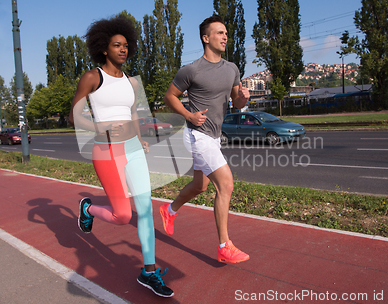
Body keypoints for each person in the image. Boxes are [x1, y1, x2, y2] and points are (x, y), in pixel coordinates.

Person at [69, 15, 173, 298]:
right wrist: (98, 126)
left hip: (133, 148)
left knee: (145, 209)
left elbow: (132, 114)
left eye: (126, 45)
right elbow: (74, 115)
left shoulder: (132, 82)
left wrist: (140, 140)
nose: (123, 50)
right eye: (117, 45)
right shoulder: (92, 77)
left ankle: (149, 272)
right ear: (104, 48)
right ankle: (88, 208)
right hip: (106, 151)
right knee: (122, 215)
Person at [160, 15, 251, 263]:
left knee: (200, 186)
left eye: (225, 33)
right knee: (226, 184)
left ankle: (168, 210)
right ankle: (224, 246)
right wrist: (189, 114)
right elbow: (170, 96)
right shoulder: (191, 70)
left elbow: (237, 103)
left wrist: (244, 97)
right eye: (219, 33)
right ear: (205, 38)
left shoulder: (232, 69)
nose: (225, 37)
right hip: (197, 135)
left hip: (214, 136)